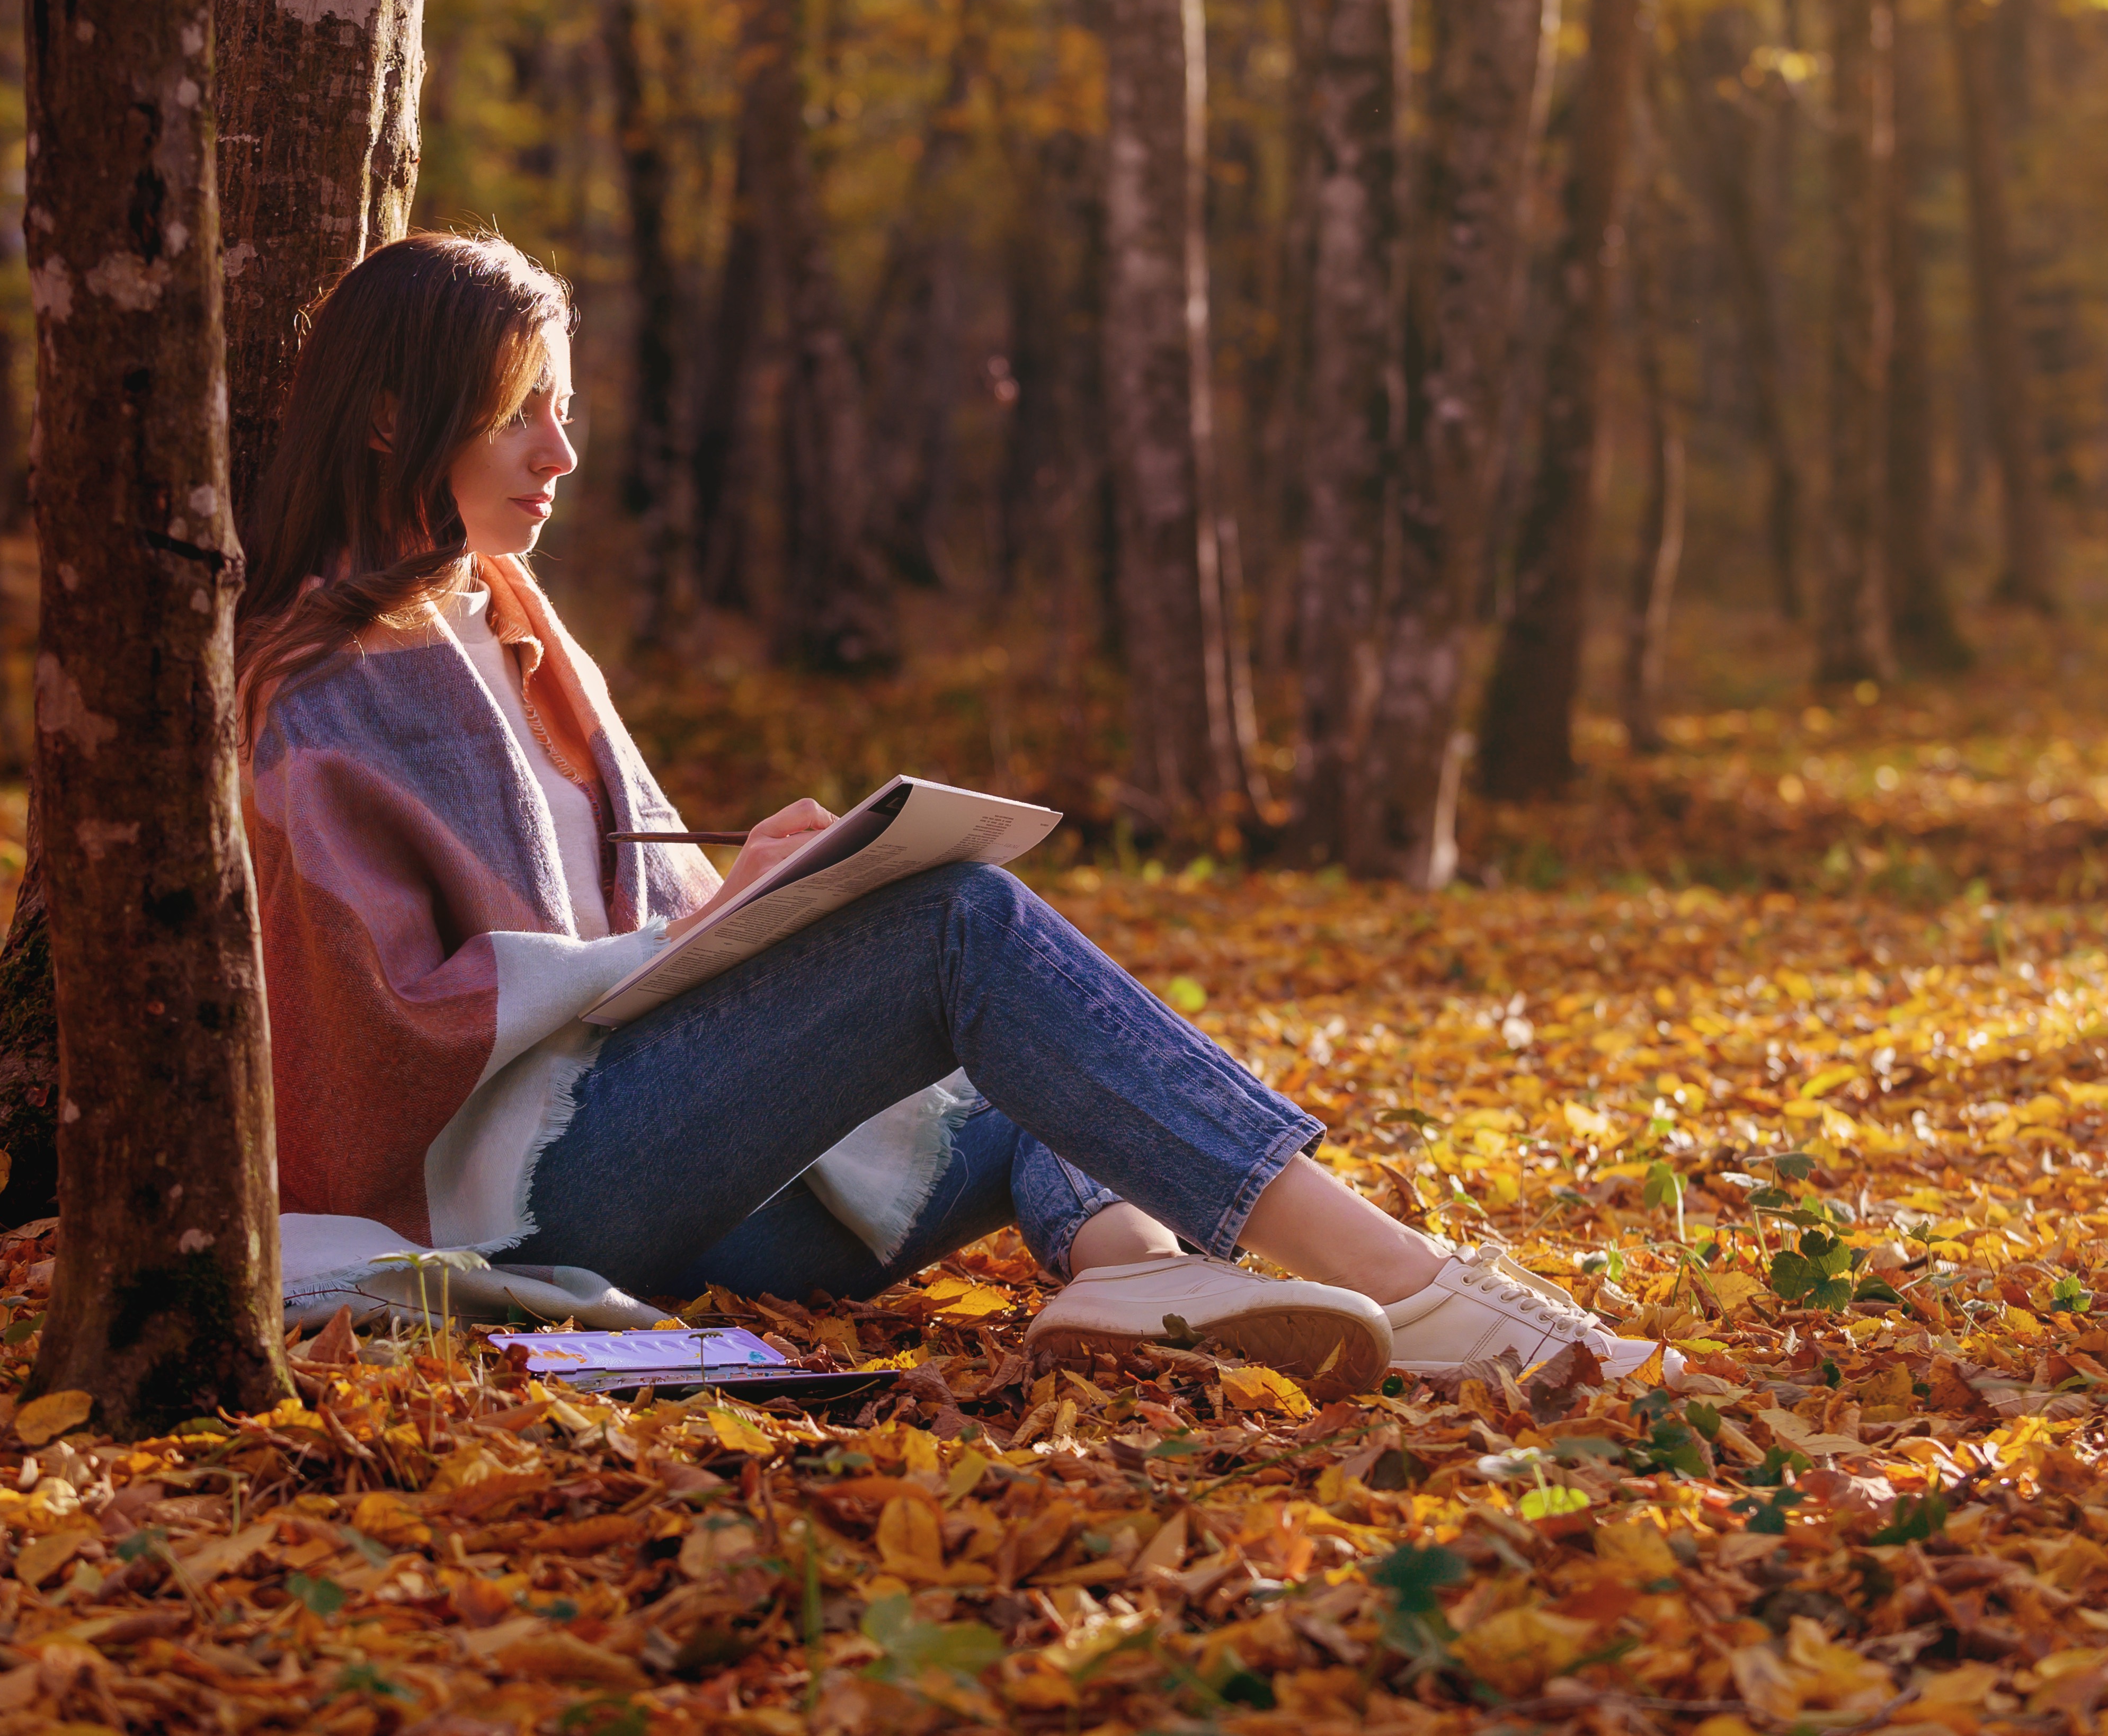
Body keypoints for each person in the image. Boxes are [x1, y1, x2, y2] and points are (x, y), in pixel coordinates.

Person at [234, 233, 1670, 1397]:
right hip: (528, 1192)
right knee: (963, 930)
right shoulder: (318, 687)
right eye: (519, 413)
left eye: (564, 408)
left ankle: (1124, 1270)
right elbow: (377, 1033)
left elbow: (637, 919)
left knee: (1057, 1048)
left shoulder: (520, 628)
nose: (561, 454)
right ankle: (1419, 1294)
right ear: (389, 419)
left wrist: (771, 893)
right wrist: (718, 937)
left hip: (667, 1167)